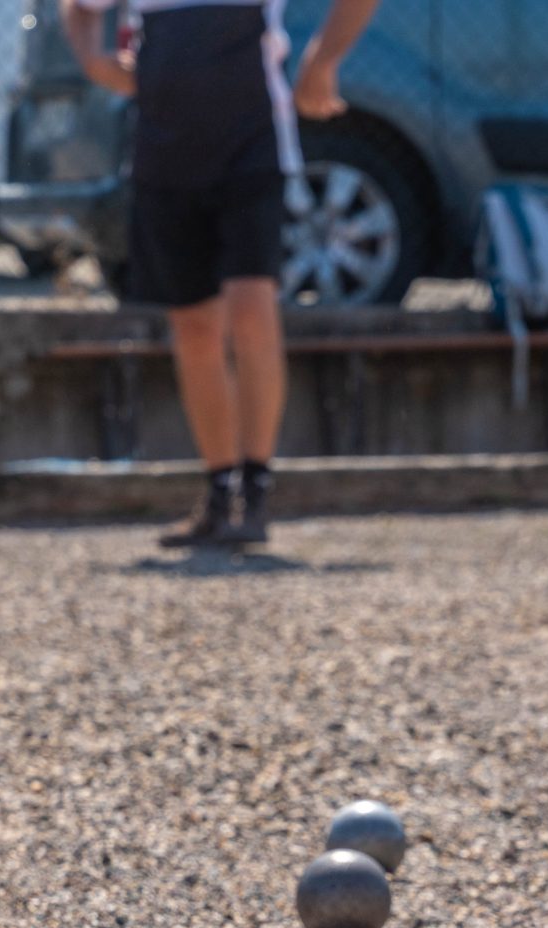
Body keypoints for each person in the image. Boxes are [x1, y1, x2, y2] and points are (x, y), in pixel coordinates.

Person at [66, 0, 380, 549]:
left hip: (252, 144)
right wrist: (92, 60)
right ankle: (218, 489)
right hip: (164, 150)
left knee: (251, 309)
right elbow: (81, 8)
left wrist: (322, 60)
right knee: (193, 326)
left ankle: (255, 488)